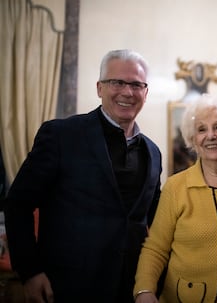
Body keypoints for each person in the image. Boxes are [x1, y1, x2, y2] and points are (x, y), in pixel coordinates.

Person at [4, 49, 162, 303]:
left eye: (136, 84)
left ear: (146, 92)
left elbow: (158, 219)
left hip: (130, 288)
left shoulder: (153, 152)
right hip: (66, 287)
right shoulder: (60, 135)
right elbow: (18, 204)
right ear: (100, 88)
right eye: (117, 82)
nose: (127, 91)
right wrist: (30, 271)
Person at [133, 94, 217, 303]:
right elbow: (156, 248)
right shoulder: (176, 188)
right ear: (193, 139)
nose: (210, 135)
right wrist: (144, 290)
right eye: (202, 129)